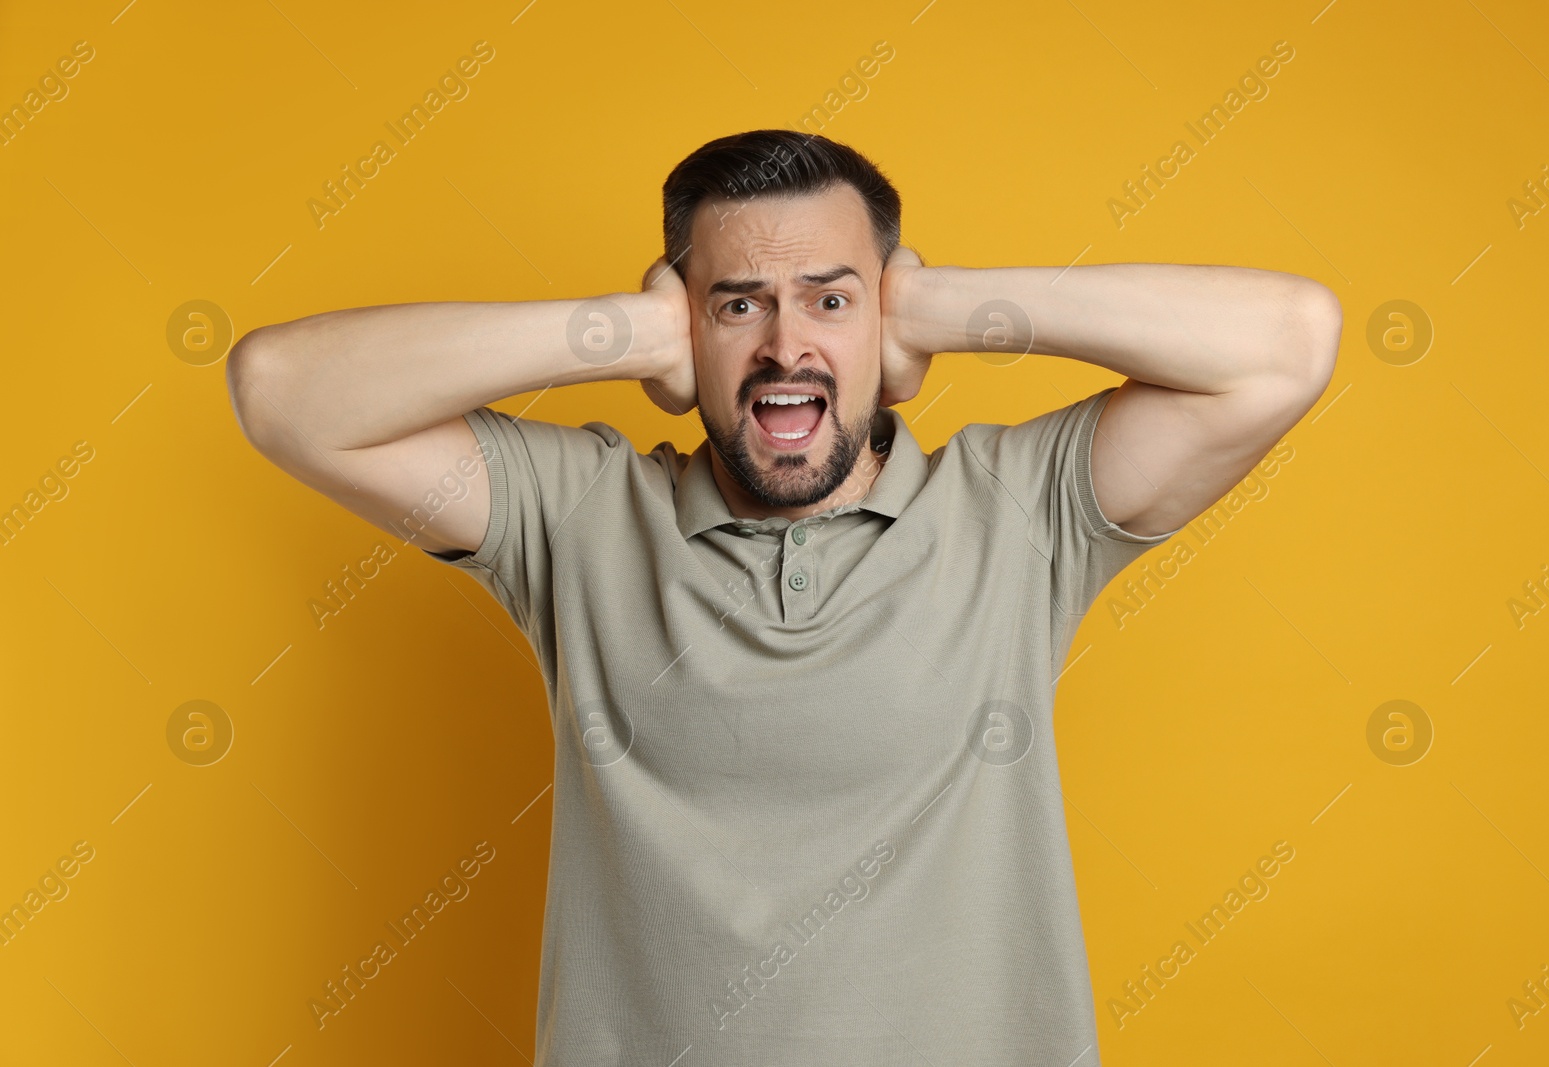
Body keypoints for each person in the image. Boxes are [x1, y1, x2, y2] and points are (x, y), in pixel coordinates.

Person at [225, 129, 1340, 1065]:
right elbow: (281, 393)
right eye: (737, 304)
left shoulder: (1014, 511)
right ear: (685, 331)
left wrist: (942, 306)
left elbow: (1289, 343)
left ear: (885, 319)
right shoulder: (576, 515)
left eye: (830, 299)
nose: (784, 343)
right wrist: (617, 332)